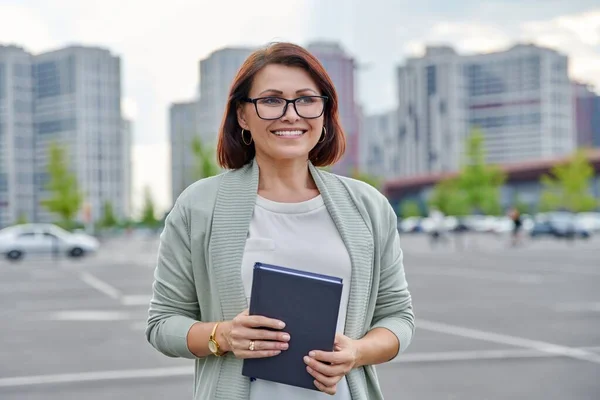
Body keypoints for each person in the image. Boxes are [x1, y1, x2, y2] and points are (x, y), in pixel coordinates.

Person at [146, 42, 415, 400]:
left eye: (306, 99)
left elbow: (397, 317)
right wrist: (222, 336)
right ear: (242, 115)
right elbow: (163, 323)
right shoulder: (200, 206)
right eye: (271, 100)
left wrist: (357, 352)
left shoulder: (368, 206)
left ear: (324, 112)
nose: (291, 114)